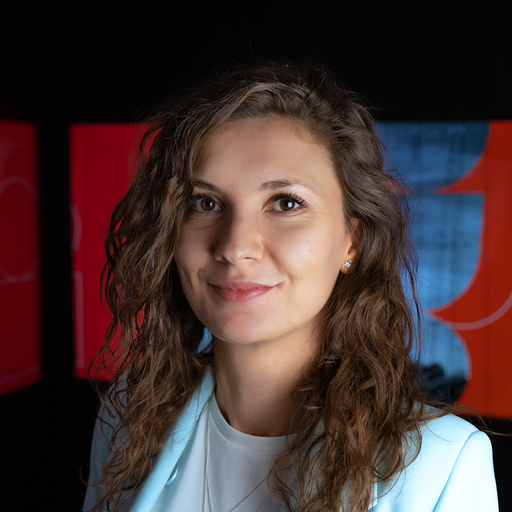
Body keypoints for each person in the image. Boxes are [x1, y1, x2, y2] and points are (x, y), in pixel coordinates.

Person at [83, 63, 498, 512]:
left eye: (285, 203)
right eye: (205, 202)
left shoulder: (442, 465)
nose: (235, 247)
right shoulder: (126, 415)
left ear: (352, 241)